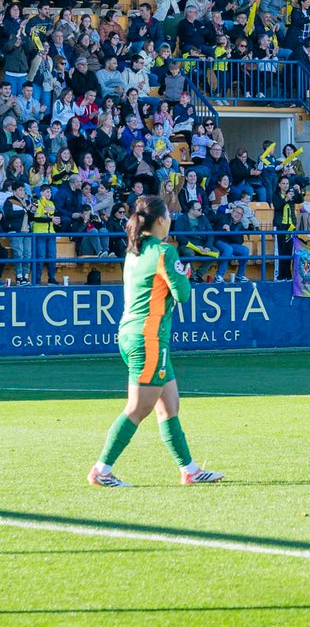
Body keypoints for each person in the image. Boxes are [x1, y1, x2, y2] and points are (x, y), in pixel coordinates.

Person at [86, 195, 224, 488]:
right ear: (161, 220)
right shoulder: (165, 252)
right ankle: (101, 470)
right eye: (169, 217)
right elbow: (183, 295)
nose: (171, 221)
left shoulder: (134, 251)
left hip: (133, 334)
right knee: (138, 408)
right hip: (149, 338)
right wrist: (184, 275)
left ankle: (189, 470)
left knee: (169, 405)